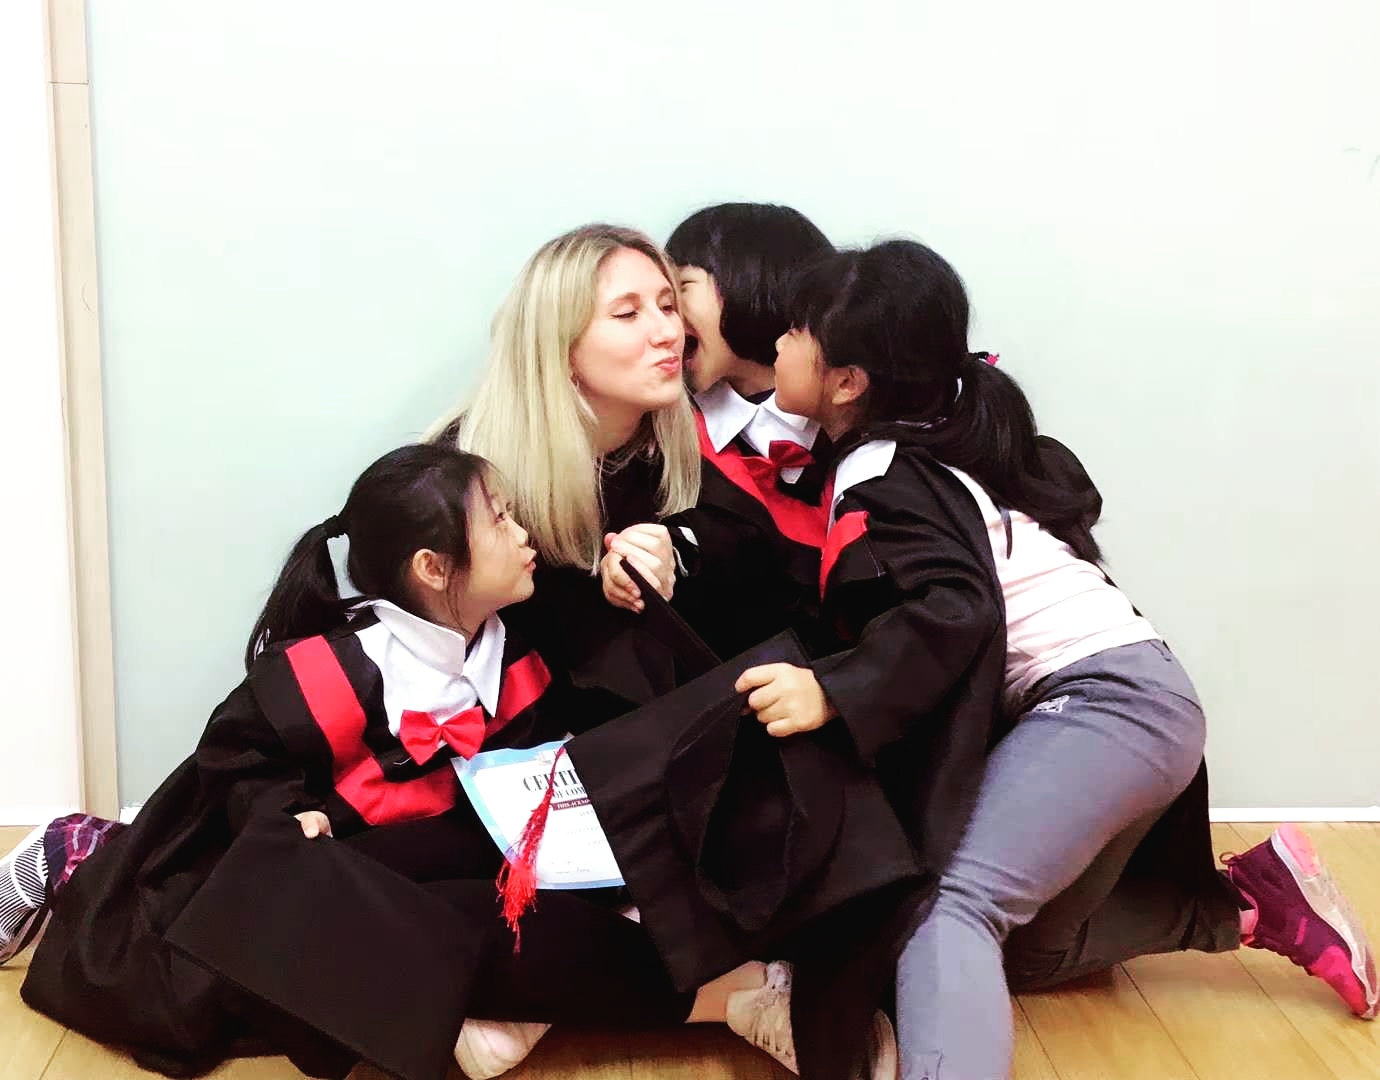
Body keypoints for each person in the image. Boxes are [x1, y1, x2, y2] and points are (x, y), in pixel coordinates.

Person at [737, 238, 1377, 1079]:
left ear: (848, 381)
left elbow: (955, 611)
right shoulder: (927, 446)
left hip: (1105, 707)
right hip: (1137, 706)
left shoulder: (884, 473)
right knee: (1025, 954)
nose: (779, 343)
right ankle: (1251, 904)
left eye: (794, 330)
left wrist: (835, 690)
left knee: (950, 909)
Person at [2, 443, 771, 1080]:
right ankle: (82, 850)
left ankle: (633, 994)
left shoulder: (514, 646)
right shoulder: (337, 672)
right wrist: (285, 816)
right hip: (338, 858)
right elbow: (234, 759)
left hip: (443, 848)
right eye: (500, 520)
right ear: (434, 568)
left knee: (523, 904)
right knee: (230, 985)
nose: (522, 533)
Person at [663, 203, 838, 657]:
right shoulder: (669, 442)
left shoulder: (861, 420)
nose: (666, 319)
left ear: (749, 281)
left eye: (682, 287)